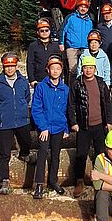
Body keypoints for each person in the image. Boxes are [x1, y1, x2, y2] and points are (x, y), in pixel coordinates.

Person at [0, 52, 37, 195]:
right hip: (5, 123)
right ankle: (4, 180)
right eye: (7, 66)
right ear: (3, 67)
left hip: (21, 120)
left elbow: (26, 97)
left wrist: (21, 108)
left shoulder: (22, 82)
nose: (10, 69)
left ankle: (24, 154)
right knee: (4, 153)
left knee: (26, 141)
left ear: (16, 66)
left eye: (12, 66)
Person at [68, 55, 112, 197]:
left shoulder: (101, 83)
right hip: (83, 126)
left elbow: (107, 103)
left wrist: (109, 121)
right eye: (86, 68)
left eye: (91, 68)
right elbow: (71, 104)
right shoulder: (77, 83)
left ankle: (100, 179)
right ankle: (79, 181)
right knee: (81, 154)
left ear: (95, 69)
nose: (88, 70)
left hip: (99, 125)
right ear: (82, 69)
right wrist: (73, 122)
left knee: (100, 154)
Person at [31, 54, 71, 199]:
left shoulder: (64, 89)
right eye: (52, 68)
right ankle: (39, 184)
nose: (55, 71)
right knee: (42, 154)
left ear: (61, 71)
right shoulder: (41, 87)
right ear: (48, 70)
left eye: (58, 69)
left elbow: (66, 110)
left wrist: (66, 128)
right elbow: (37, 109)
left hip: (59, 127)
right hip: (45, 128)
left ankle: (53, 181)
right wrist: (43, 127)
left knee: (56, 156)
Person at [60, 0, 94, 74]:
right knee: (73, 70)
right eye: (81, 6)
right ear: (78, 7)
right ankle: (72, 85)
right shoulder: (71, 18)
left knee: (86, 69)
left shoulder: (90, 20)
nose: (83, 9)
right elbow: (62, 30)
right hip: (72, 48)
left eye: (85, 7)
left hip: (85, 48)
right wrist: (61, 43)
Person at [26, 18, 61, 86]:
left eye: (46, 30)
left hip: (54, 79)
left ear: (50, 31)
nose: (44, 32)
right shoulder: (33, 46)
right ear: (38, 32)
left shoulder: (55, 45)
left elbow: (60, 62)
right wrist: (32, 79)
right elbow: (30, 63)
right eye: (42, 31)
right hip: (39, 80)